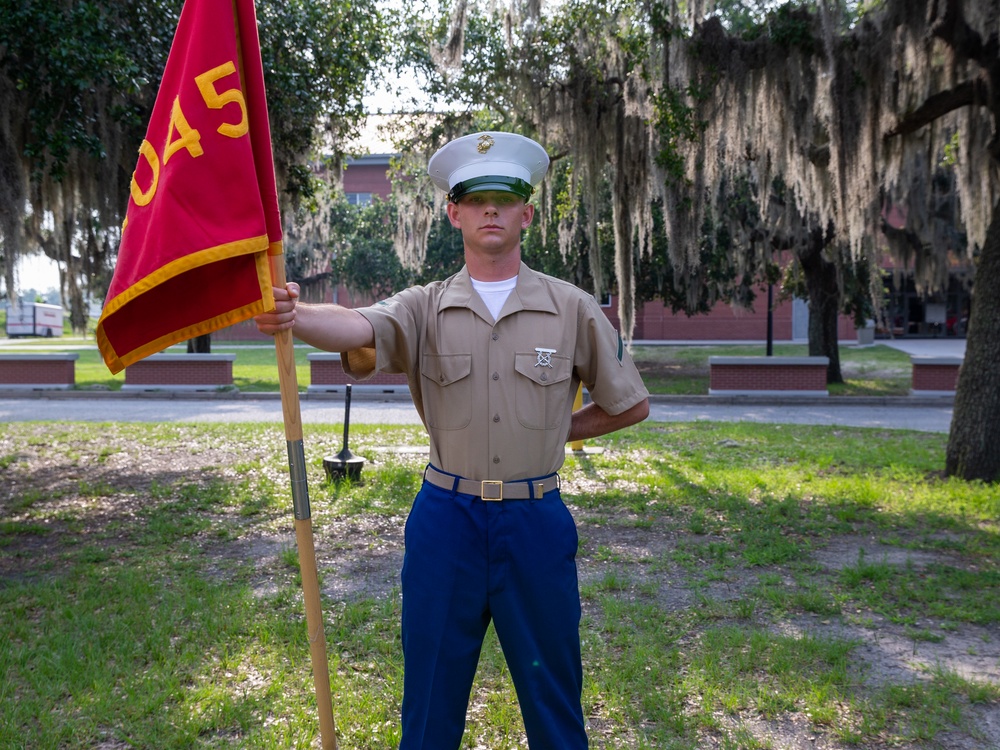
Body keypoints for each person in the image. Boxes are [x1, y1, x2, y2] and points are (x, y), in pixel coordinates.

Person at [255, 131, 650, 749]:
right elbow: (359, 324)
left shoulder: (571, 308)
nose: (490, 210)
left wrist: (555, 432)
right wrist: (294, 315)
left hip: (535, 522)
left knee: (555, 707)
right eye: (476, 198)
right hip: (447, 522)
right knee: (430, 704)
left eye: (506, 197)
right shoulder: (425, 306)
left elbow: (631, 403)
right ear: (453, 212)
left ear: (527, 212)